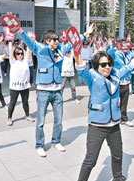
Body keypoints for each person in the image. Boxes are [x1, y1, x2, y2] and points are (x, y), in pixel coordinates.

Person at [76, 34, 134, 181]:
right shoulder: (92, 78)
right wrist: (76, 53)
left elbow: (131, 65)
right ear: (96, 66)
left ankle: (118, 177)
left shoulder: (116, 76)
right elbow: (81, 69)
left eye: (109, 63)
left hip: (114, 124)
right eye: (103, 65)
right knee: (90, 160)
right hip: (97, 125)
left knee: (118, 154)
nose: (107, 67)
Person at [17, 26, 92, 157]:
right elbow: (28, 41)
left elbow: (73, 42)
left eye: (57, 39)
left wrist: (85, 34)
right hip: (43, 91)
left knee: (58, 119)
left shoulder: (62, 50)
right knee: (40, 121)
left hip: (57, 91)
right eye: (53, 39)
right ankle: (39, 145)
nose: (56, 41)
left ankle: (56, 141)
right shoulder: (40, 49)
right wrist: (19, 30)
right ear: (46, 41)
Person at [7, 41, 35, 126]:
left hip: (25, 86)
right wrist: (10, 41)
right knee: (12, 102)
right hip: (15, 87)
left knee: (25, 102)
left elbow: (29, 50)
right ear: (15, 55)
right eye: (18, 54)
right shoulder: (13, 62)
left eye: (21, 53)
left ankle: (27, 115)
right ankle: (9, 118)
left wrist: (30, 40)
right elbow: (10, 50)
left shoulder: (25, 61)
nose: (20, 55)